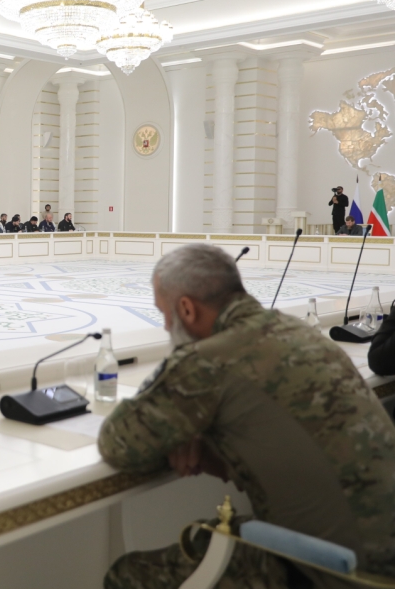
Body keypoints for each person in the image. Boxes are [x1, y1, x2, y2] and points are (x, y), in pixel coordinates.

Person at [99, 244, 395, 589]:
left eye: (164, 313)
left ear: (186, 309)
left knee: (127, 576)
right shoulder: (299, 332)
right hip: (380, 555)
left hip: (344, 573)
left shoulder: (209, 360)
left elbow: (118, 443)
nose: (166, 325)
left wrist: (189, 428)